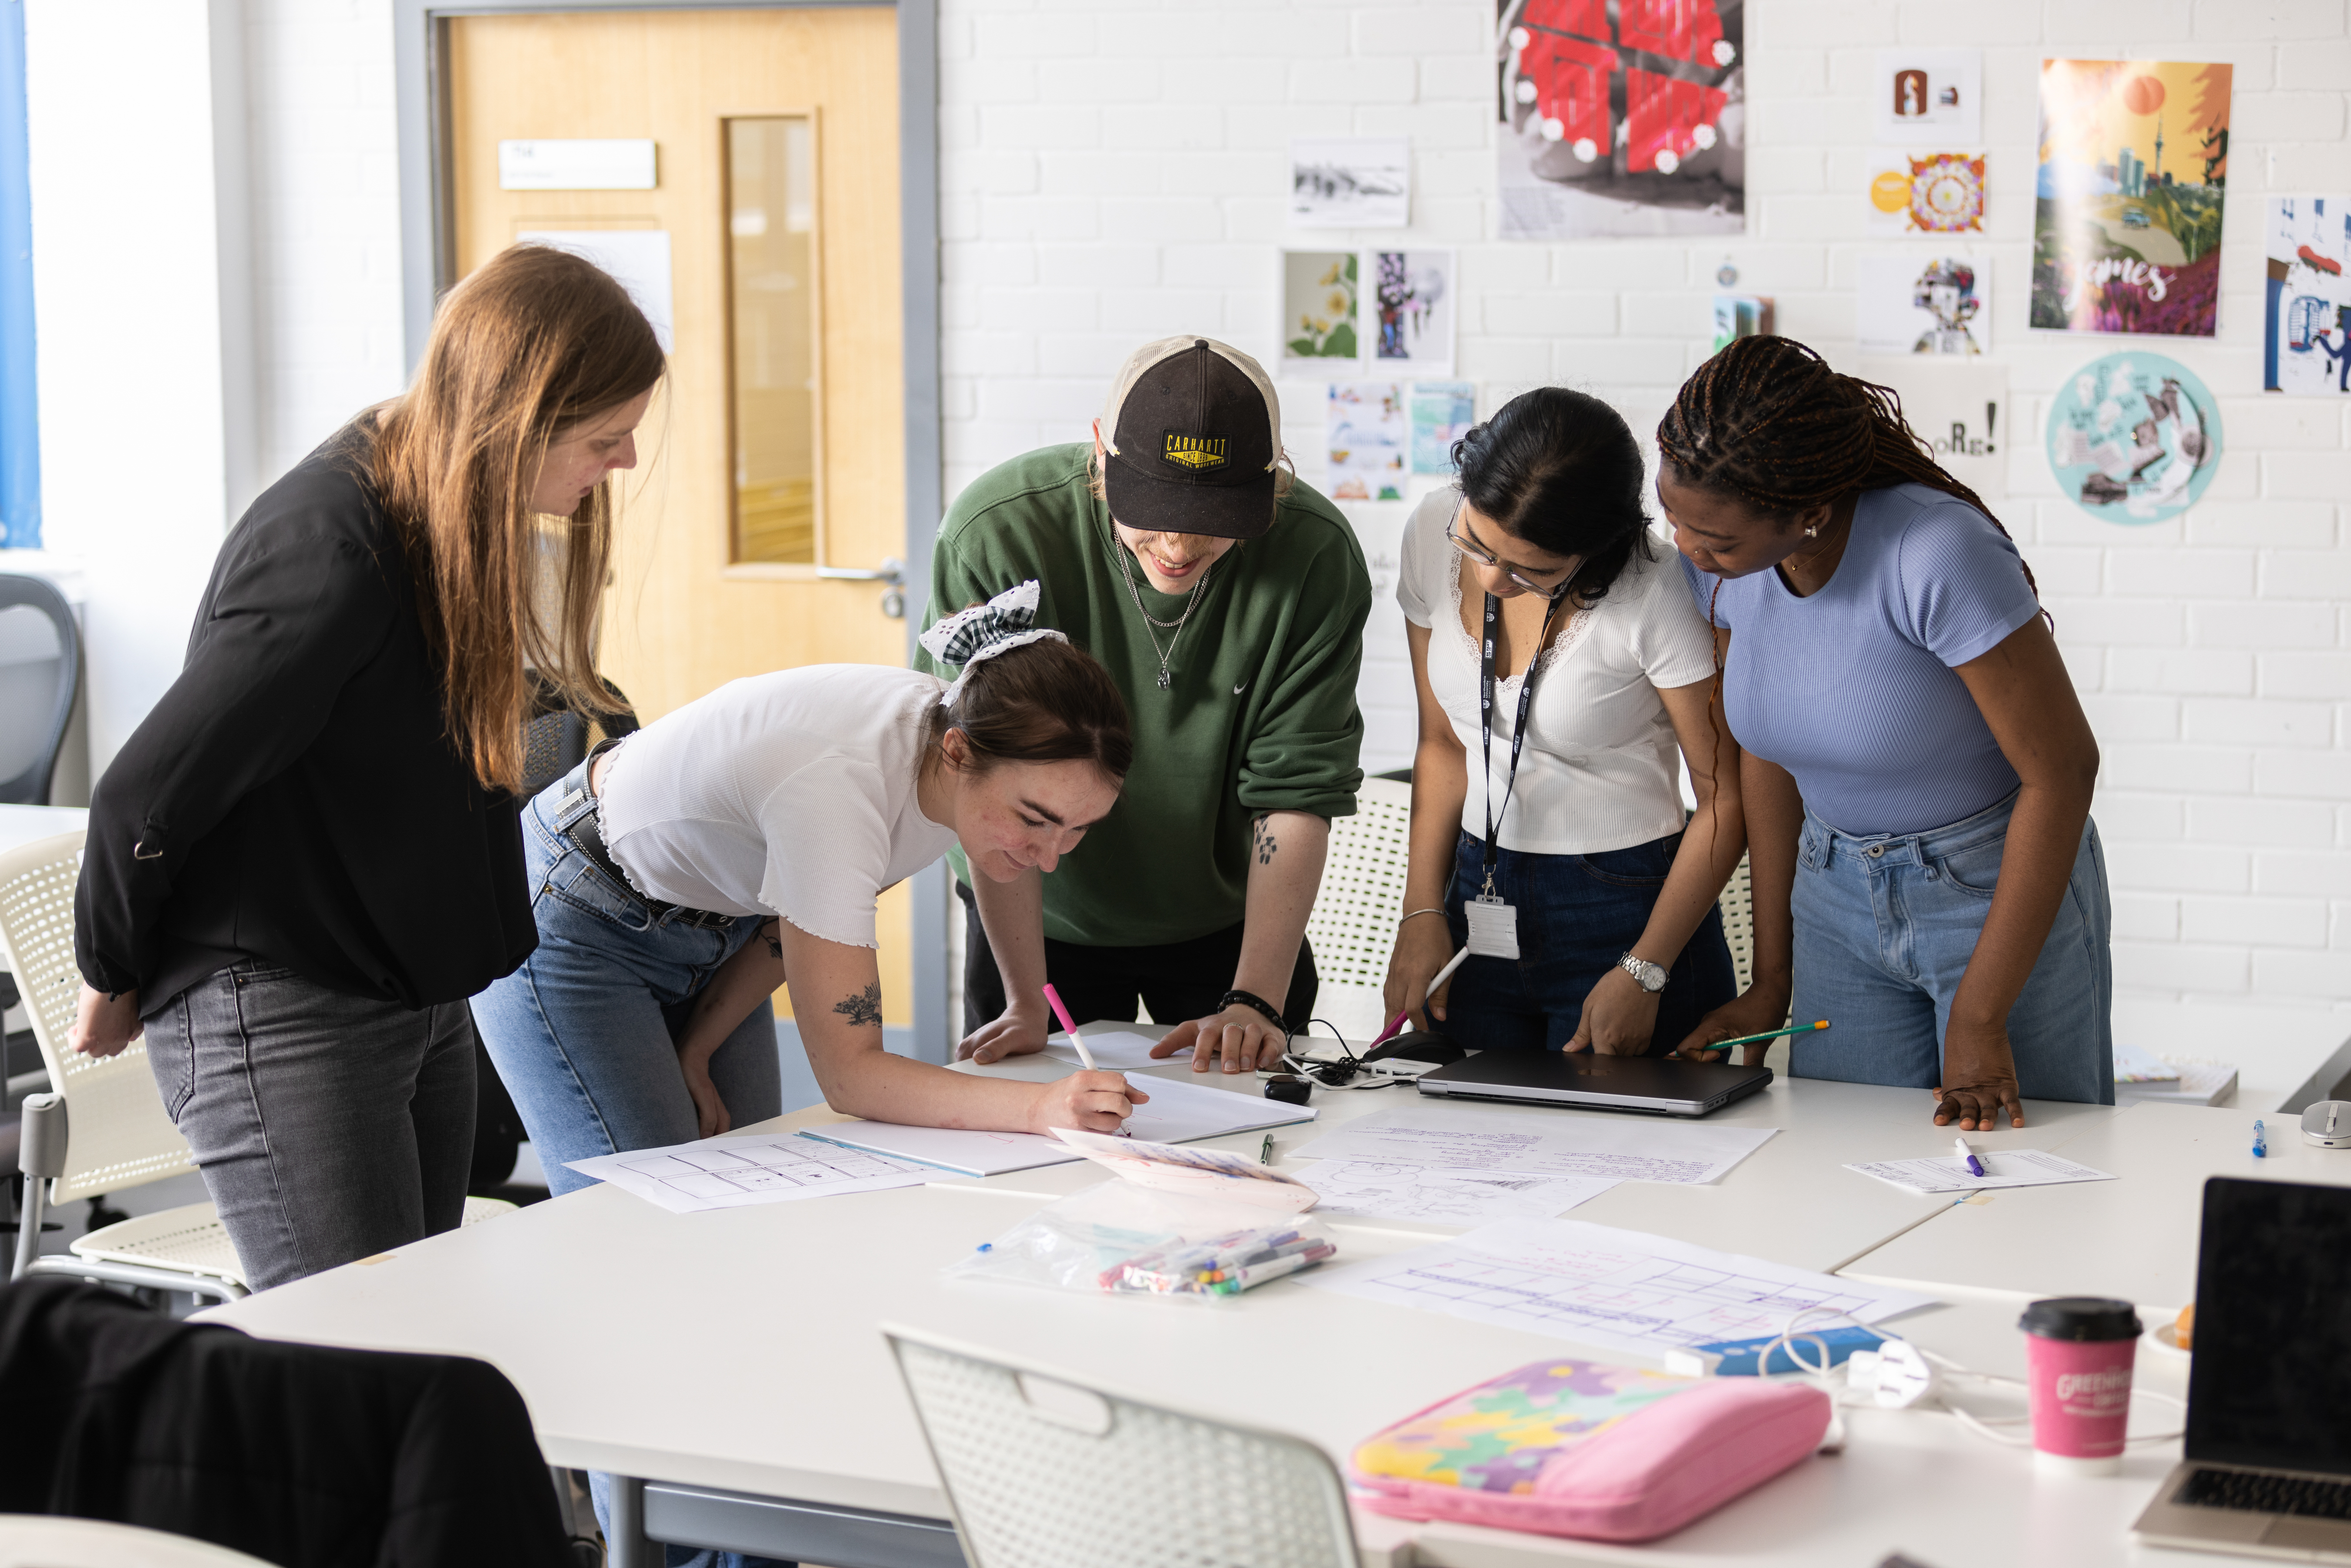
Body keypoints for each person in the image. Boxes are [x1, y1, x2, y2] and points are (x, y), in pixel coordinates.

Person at [66, 243, 659, 1290]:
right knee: (354, 1372)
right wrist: (113, 969)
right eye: (604, 438)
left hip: (403, 993)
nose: (624, 464)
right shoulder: (336, 556)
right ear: (516, 421)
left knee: (417, 1341)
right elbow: (142, 795)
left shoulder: (448, 510)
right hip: (286, 1002)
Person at [471, 584, 1143, 1194]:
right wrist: (1040, 1108)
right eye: (1036, 820)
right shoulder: (839, 791)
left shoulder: (957, 760)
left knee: (746, 1193)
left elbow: (786, 926)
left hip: (724, 923)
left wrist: (702, 1041)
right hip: (579, 915)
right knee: (637, 1222)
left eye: (1078, 829)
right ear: (959, 753)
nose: (1050, 858)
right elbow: (852, 1075)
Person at [1658, 335, 2111, 1130]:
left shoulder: (1936, 551)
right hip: (1833, 895)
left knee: (2026, 1181)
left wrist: (1979, 1015)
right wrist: (1773, 977)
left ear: (1812, 515)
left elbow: (2064, 771)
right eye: (1672, 515)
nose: (1687, 549)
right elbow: (1768, 753)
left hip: (1990, 886)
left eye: (1717, 539)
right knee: (1842, 1166)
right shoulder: (1719, 567)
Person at [915, 336, 1373, 1077]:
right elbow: (982, 778)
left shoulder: (1315, 557)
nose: (1178, 545)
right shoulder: (998, 531)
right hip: (1036, 905)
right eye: (1155, 511)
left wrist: (1256, 998)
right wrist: (1026, 998)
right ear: (1101, 456)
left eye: (1213, 516)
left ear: (1273, 481)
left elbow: (1296, 789)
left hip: (1229, 920)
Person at [1382, 388, 1743, 1056]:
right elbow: (1440, 744)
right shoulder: (1432, 530)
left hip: (1626, 906)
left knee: (1629, 1155)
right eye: (1480, 545)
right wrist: (1422, 908)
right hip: (1476, 889)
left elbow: (1726, 796)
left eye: (1533, 570)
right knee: (1472, 1145)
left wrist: (1647, 967)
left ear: (1595, 550)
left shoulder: (1656, 587)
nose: (1492, 578)